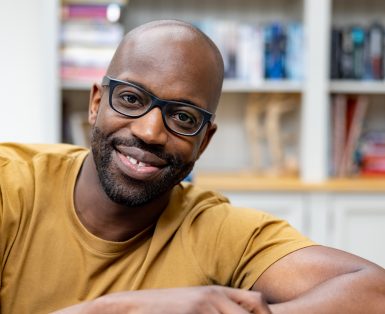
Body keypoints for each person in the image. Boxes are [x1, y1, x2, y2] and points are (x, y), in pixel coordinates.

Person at [1, 19, 385, 314]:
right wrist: (126, 308)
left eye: (183, 118)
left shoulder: (216, 230)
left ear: (205, 140)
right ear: (96, 103)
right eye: (132, 99)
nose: (150, 131)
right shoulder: (11, 186)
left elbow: (374, 292)